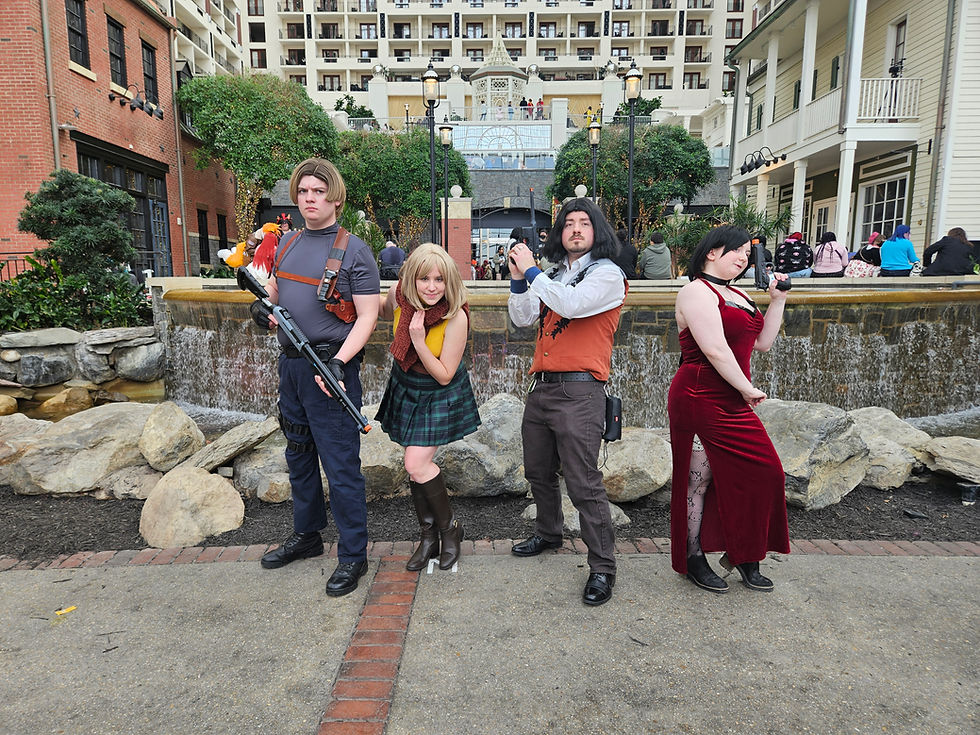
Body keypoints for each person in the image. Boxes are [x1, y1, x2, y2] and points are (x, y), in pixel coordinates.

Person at [255, 158, 380, 598]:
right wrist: (261, 309)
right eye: (304, 191)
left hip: (331, 368)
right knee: (299, 454)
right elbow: (273, 292)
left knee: (341, 465)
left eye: (318, 192)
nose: (310, 199)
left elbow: (368, 316)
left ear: (335, 198)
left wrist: (340, 363)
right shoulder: (287, 242)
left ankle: (353, 555)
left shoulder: (355, 251)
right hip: (291, 367)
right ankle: (307, 536)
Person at [507, 198, 627, 607]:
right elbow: (523, 318)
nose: (575, 229)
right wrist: (519, 279)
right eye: (569, 223)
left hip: (580, 391)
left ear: (597, 231)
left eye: (584, 223)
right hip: (542, 387)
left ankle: (603, 567)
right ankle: (548, 532)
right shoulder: (555, 275)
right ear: (560, 233)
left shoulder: (608, 274)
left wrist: (532, 271)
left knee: (583, 482)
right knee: (538, 471)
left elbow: (571, 304)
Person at [668, 225, 790, 594]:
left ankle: (745, 554)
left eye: (747, 253)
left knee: (766, 472)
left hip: (733, 397)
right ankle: (693, 558)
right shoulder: (695, 291)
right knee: (698, 481)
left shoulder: (738, 294)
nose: (743, 258)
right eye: (736, 250)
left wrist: (778, 300)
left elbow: (762, 343)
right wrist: (747, 388)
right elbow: (715, 350)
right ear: (711, 252)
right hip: (699, 395)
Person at [370, 244, 481, 571]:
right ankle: (429, 537)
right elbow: (380, 310)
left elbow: (445, 375)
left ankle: (449, 531)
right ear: (411, 280)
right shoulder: (399, 297)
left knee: (416, 463)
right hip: (407, 385)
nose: (432, 287)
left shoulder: (455, 316)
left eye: (439, 280)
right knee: (415, 468)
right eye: (424, 279)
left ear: (449, 281)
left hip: (438, 392)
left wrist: (417, 340)